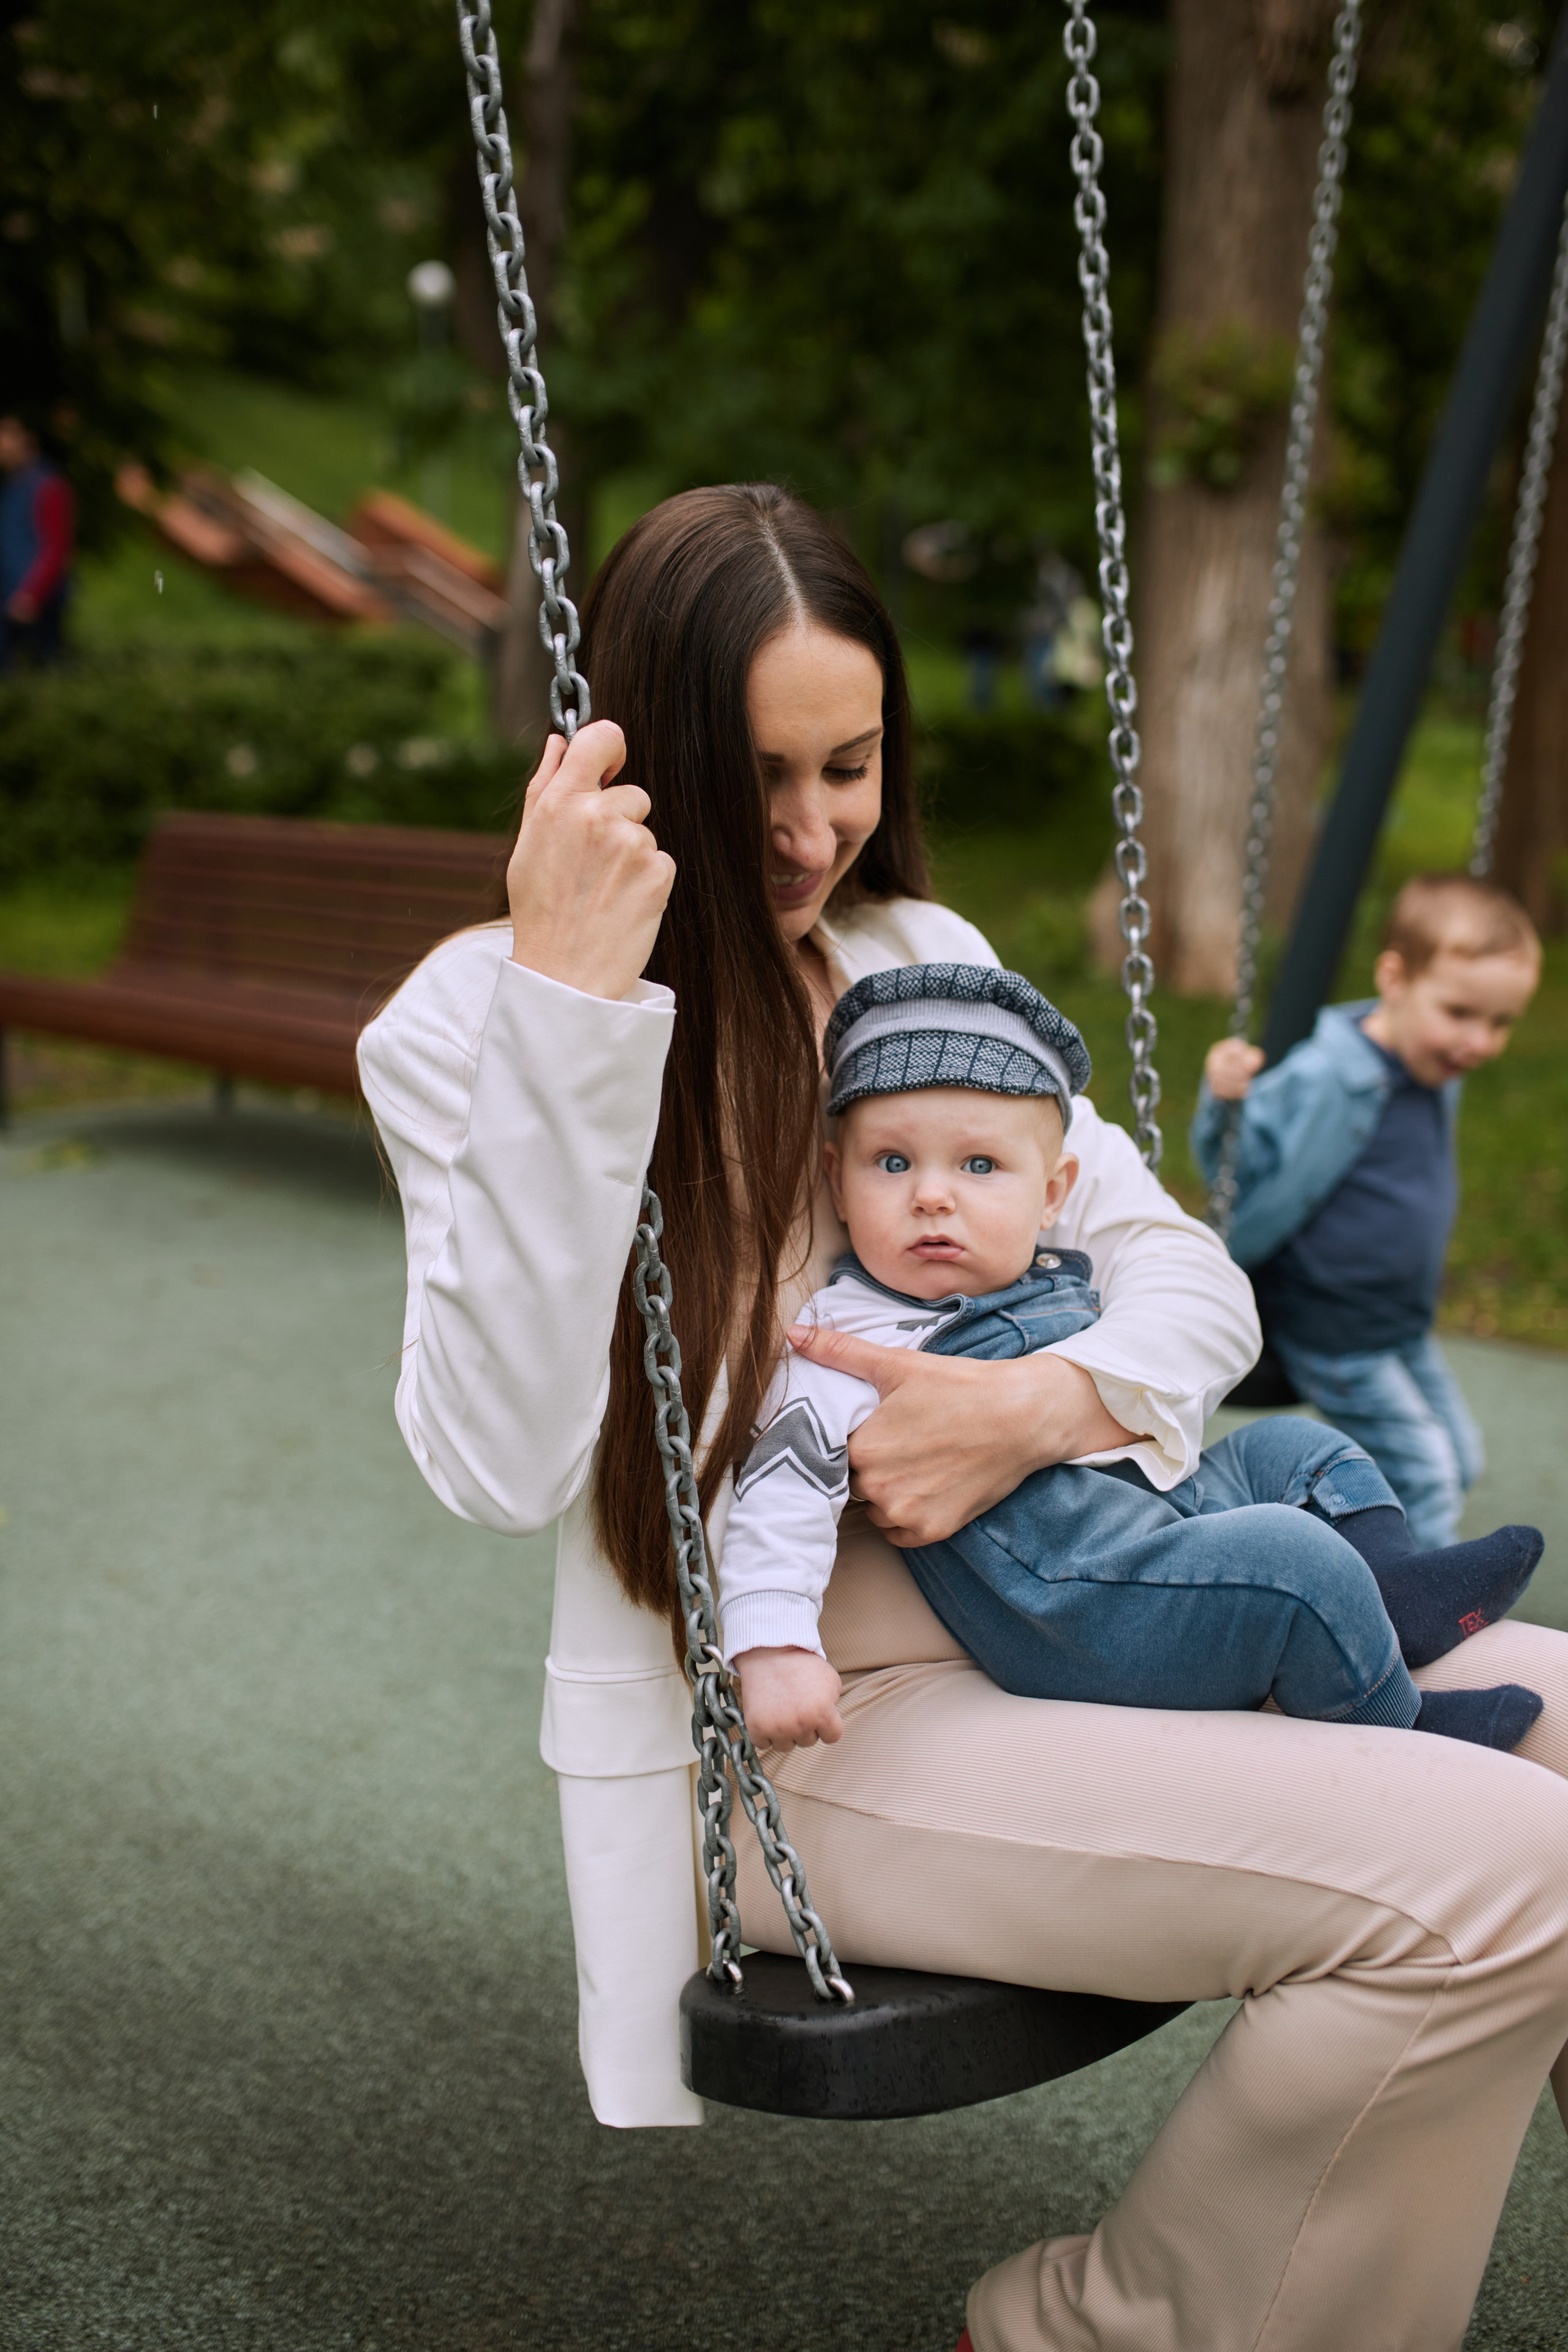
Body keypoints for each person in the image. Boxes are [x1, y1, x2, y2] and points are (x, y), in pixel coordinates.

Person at [359, 483, 1568, 2352]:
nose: (811, 824)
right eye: (757, 770)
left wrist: (1034, 1400)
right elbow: (497, 1452)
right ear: (634, 759)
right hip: (813, 1723)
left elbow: (1187, 1277)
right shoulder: (476, 1020)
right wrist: (572, 1009)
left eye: (849, 762)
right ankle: (1108, 2327)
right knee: (1505, 1875)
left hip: (1103, 1582)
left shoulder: (916, 942)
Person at [722, 960, 1544, 1755]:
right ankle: (1395, 1725)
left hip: (1160, 1514)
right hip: (1076, 1601)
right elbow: (782, 1485)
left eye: (980, 1166)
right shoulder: (848, 1341)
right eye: (892, 1163)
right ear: (837, 1180)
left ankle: (1395, 1594)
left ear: (1052, 1194)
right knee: (1297, 1560)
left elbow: (1199, 1306)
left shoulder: (1053, 1276)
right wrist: (774, 1647)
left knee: (1296, 1452)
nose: (932, 1195)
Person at [1193, 875, 1542, 1545]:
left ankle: (1337, 1550)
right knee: (1426, 1476)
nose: (1479, 1042)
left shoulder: (1429, 1065)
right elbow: (1235, 1158)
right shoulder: (1330, 1073)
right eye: (1461, 1013)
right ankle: (1416, 1616)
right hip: (1336, 1326)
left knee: (1459, 1461)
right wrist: (1223, 1101)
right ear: (1394, 978)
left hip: (1399, 1323)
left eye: (1499, 1022)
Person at [0, 415, 74, 673]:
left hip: (36, 599)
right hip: (9, 594)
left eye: (7, 436)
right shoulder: (11, 487)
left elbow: (56, 547)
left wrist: (33, 593)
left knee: (47, 668)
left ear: (28, 440)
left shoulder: (48, 486)